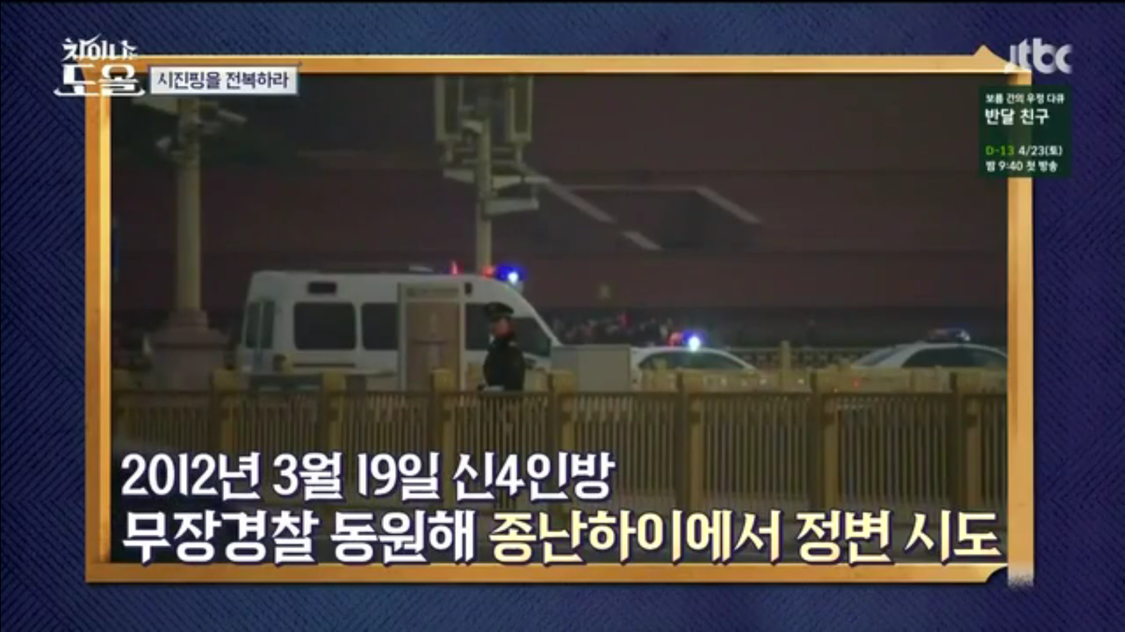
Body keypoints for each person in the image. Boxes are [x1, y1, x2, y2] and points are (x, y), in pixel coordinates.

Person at [480, 302, 526, 392]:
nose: (492, 325)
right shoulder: (494, 348)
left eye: (497, 321)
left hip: (507, 400)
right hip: (491, 399)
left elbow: (514, 385)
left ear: (508, 323)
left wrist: (492, 390)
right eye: (490, 321)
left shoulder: (511, 350)